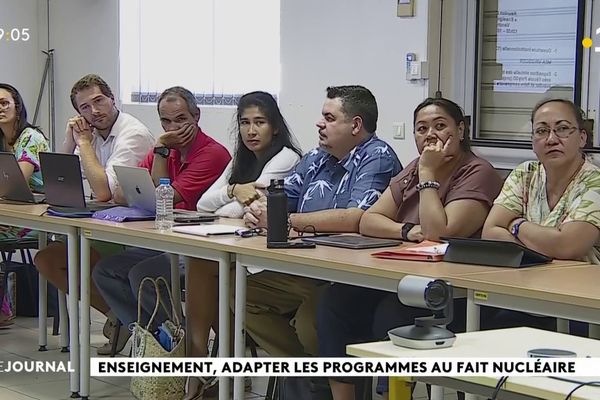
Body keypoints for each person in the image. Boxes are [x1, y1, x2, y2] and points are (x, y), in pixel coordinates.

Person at [317, 97, 503, 400]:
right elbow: (369, 220)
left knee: (391, 315)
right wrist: (406, 230)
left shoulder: (476, 172)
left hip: (452, 289)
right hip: (405, 275)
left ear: (460, 130)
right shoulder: (415, 167)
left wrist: (428, 176)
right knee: (335, 302)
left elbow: (440, 232)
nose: (430, 135)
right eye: (421, 128)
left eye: (440, 126)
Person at [242, 85, 402, 360]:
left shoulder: (377, 156)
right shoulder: (316, 158)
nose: (319, 123)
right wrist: (258, 211)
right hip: (306, 268)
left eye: (329, 118)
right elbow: (279, 199)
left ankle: (322, 380)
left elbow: (357, 218)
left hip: (349, 277)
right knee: (240, 295)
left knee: (311, 320)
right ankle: (305, 373)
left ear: (356, 125)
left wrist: (287, 220)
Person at [92, 86, 230, 356]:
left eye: (181, 119)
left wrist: (160, 151)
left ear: (196, 116)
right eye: (166, 121)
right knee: (105, 271)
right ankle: (158, 338)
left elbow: (162, 197)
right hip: (163, 239)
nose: (173, 127)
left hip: (197, 247)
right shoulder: (165, 148)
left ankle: (187, 344)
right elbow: (121, 193)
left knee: (142, 274)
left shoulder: (212, 153)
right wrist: (161, 151)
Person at [183, 91, 302, 399]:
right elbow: (203, 204)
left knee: (207, 272)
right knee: (202, 267)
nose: (251, 131)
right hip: (239, 252)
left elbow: (240, 210)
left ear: (275, 127)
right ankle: (213, 367)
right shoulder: (241, 159)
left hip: (269, 259)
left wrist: (233, 196)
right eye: (245, 123)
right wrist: (235, 188)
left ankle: (209, 368)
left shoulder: (286, 158)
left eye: (259, 122)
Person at [34, 74, 154, 339]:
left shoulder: (132, 133)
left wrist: (84, 143)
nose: (94, 111)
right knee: (45, 259)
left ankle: (133, 324)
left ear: (113, 99)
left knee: (77, 259)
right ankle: (118, 318)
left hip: (136, 232)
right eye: (84, 108)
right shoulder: (92, 133)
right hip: (104, 224)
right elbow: (53, 183)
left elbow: (103, 192)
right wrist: (70, 139)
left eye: (99, 101)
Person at [483, 98, 600, 261]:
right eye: (541, 131)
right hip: (527, 277)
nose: (551, 139)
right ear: (532, 141)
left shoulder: (595, 181)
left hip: (580, 284)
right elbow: (490, 232)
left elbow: (568, 246)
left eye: (563, 129)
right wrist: (545, 247)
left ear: (582, 138)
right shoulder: (525, 173)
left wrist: (516, 225)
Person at [0, 83, 49, 328]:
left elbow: (17, 181)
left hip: (39, 217)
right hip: (9, 214)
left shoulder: (31, 138)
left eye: (4, 103)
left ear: (17, 108)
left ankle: (3, 307)